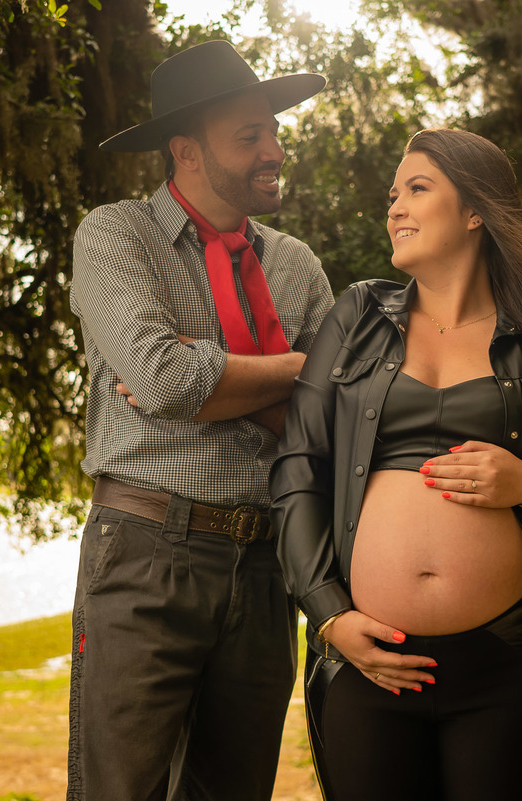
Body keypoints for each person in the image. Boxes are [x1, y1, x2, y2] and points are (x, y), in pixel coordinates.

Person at [270, 128, 522, 801]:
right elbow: (298, 469)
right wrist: (327, 614)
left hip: (507, 660)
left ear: (475, 211)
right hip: (367, 660)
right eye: (392, 194)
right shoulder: (355, 318)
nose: (395, 207)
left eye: (417, 188)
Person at [66, 40, 333, 801]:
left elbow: (331, 422)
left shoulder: (296, 265)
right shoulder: (116, 237)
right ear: (186, 151)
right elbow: (164, 377)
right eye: (249, 136)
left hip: (264, 564)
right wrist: (304, 369)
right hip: (148, 551)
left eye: (273, 132)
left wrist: (208, 372)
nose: (274, 150)